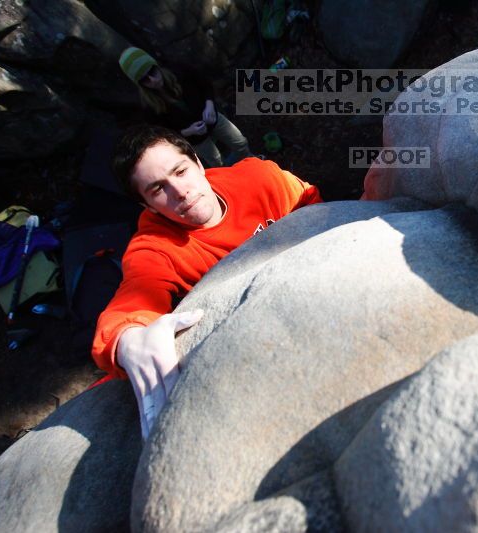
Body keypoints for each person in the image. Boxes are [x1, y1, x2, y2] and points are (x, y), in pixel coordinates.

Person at [92, 125, 322, 438]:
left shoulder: (260, 178)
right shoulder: (155, 247)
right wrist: (128, 339)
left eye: (180, 171)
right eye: (158, 189)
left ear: (199, 164)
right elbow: (132, 300)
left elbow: (312, 204)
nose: (180, 192)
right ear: (147, 206)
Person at [118, 46, 253, 167]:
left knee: (240, 142)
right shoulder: (149, 107)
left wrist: (209, 105)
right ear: (140, 84)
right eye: (144, 80)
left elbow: (204, 83)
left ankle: (252, 164)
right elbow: (164, 132)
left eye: (152, 72)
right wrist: (188, 131)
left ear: (156, 65)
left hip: (213, 118)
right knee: (217, 163)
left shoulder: (179, 71)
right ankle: (234, 179)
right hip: (195, 139)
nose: (153, 80)